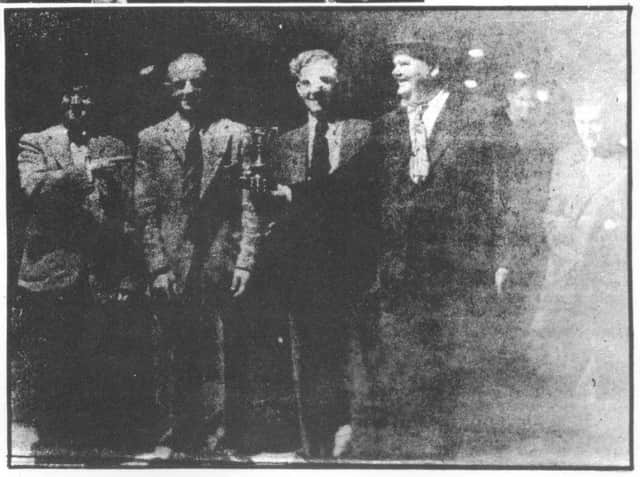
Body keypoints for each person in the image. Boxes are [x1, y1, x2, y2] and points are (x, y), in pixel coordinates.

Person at [361, 31, 515, 458]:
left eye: (406, 61)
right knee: (406, 366)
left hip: (458, 267)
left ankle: (454, 456)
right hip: (400, 270)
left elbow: (506, 194)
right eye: (395, 62)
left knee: (453, 367)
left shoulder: (482, 115)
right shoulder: (388, 124)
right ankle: (414, 452)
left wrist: (503, 258)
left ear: (434, 68)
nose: (396, 69)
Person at [134, 52, 259, 457]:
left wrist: (244, 260)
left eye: (196, 83)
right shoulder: (151, 139)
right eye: (179, 84)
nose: (188, 91)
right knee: (170, 351)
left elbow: (248, 205)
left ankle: (214, 441)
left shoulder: (235, 134)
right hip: (171, 264)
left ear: (209, 84)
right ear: (168, 89)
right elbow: (145, 209)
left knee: (217, 353)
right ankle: (171, 436)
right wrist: (157, 265)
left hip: (217, 259)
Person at [266, 49, 373, 458]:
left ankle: (357, 449)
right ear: (298, 89)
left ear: (339, 84)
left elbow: (356, 199)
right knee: (308, 364)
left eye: (326, 81)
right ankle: (314, 451)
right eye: (308, 83)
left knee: (353, 362)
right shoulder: (282, 144)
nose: (317, 90)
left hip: (354, 270)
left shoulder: (365, 133)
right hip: (303, 273)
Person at [12, 82, 133, 445]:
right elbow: (35, 189)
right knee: (52, 358)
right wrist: (87, 173)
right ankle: (51, 442)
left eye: (86, 102)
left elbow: (128, 214)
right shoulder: (35, 142)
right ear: (60, 103)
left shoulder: (115, 147)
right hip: (51, 270)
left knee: (94, 356)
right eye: (71, 102)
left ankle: (89, 441)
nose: (78, 109)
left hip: (99, 271)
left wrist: (126, 275)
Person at [530, 90, 628, 401]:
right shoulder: (566, 157)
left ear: (608, 121)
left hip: (601, 280)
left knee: (599, 360)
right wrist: (569, 240)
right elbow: (551, 213)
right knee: (548, 353)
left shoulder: (626, 162)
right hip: (562, 272)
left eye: (595, 121)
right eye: (581, 121)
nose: (588, 129)